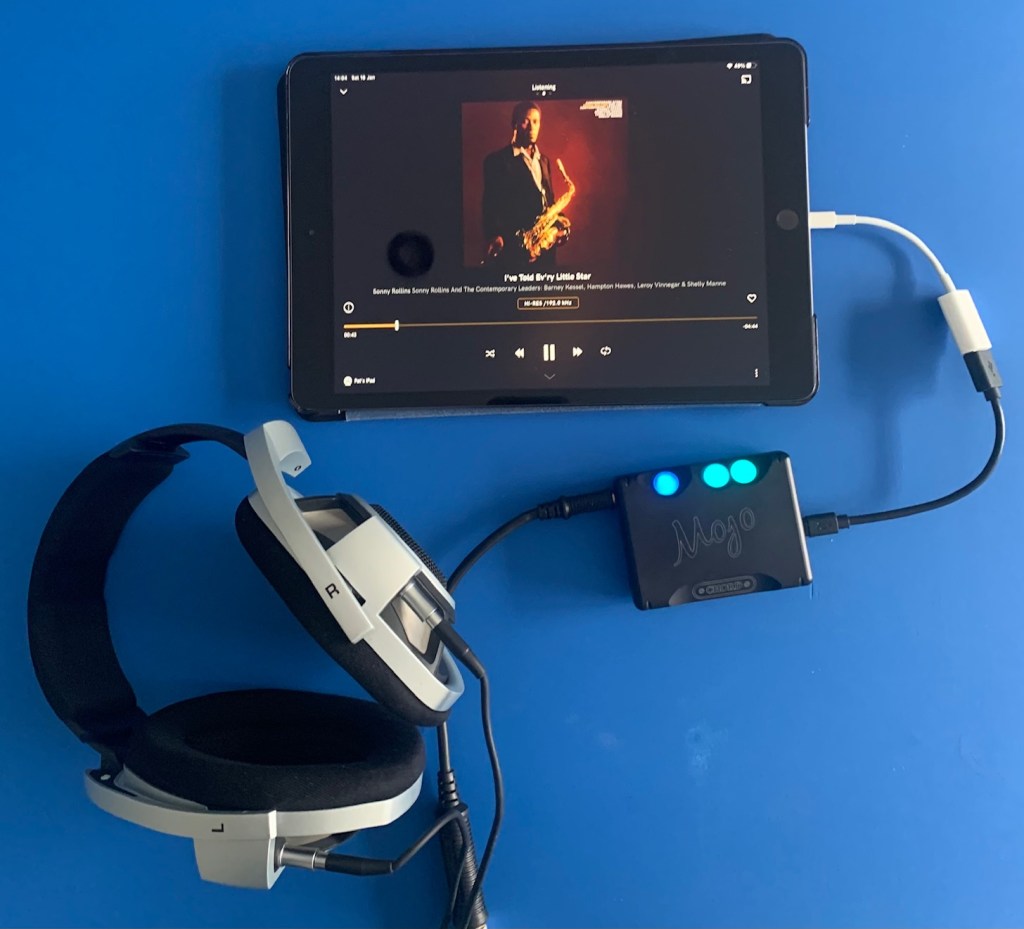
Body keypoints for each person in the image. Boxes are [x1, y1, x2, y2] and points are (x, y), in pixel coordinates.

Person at [482, 101, 556, 268]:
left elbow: (549, 200)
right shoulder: (496, 161)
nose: (531, 127)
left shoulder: (544, 161)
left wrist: (559, 224)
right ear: (514, 124)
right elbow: (490, 205)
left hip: (543, 248)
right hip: (515, 249)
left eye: (536, 122)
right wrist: (495, 235)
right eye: (525, 121)